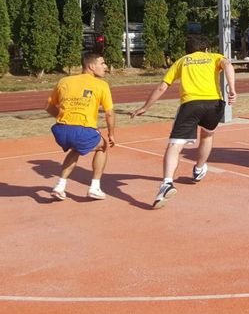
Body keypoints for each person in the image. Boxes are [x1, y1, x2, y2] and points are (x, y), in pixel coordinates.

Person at [131, 36, 237, 209]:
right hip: (215, 104)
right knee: (207, 136)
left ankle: (166, 183)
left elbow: (162, 86)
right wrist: (232, 89)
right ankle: (199, 168)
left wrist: (146, 107)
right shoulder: (215, 57)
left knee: (174, 146)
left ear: (188, 50)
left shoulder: (182, 61)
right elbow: (228, 65)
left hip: (191, 104)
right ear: (207, 50)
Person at [44, 53, 116, 201]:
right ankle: (95, 187)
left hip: (60, 130)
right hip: (81, 130)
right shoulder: (101, 85)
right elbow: (109, 113)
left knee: (76, 148)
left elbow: (48, 107)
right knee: (103, 147)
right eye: (102, 63)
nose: (105, 67)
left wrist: (64, 118)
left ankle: (59, 186)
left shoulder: (64, 81)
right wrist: (111, 134)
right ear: (91, 66)